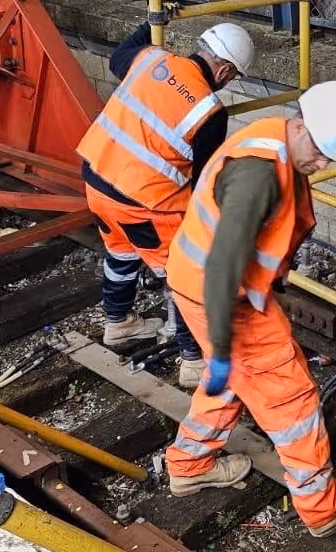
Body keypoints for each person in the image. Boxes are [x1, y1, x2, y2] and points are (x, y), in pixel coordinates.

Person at [165, 81, 336, 538]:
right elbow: (226, 261)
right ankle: (323, 505)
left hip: (197, 284)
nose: (322, 165)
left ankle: (188, 462)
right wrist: (224, 344)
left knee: (233, 380)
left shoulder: (272, 141)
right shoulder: (258, 176)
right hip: (221, 295)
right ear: (301, 126)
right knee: (291, 396)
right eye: (321, 152)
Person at [76, 20, 256, 389]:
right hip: (144, 202)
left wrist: (152, 23)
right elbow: (203, 180)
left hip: (97, 179)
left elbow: (121, 54)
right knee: (185, 276)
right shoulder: (210, 112)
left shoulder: (148, 60)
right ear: (223, 70)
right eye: (233, 76)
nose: (228, 82)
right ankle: (193, 361)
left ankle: (118, 323)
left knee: (121, 255)